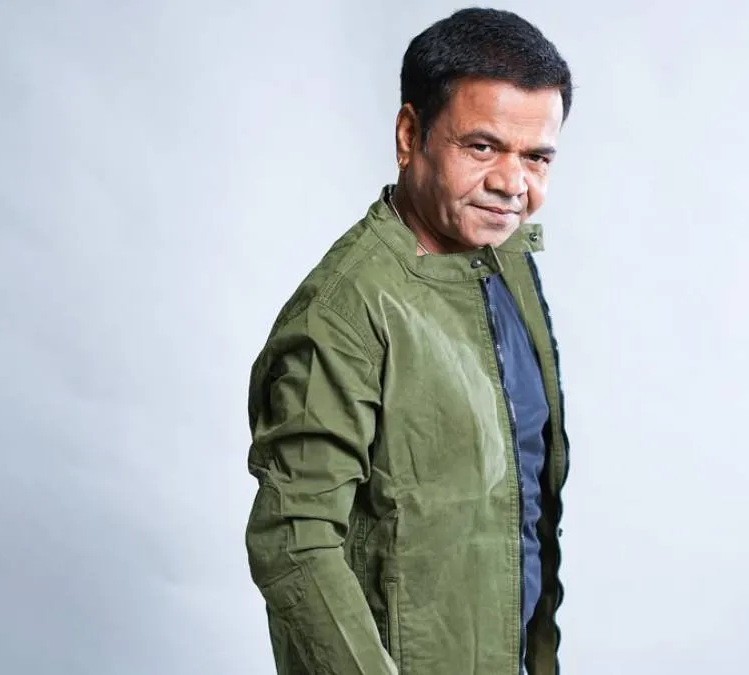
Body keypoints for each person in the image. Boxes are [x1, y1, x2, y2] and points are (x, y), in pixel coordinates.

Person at [244, 8, 573, 674]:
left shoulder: (507, 258)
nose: (513, 184)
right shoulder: (343, 312)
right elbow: (293, 542)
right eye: (481, 147)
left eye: (536, 157)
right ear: (409, 135)